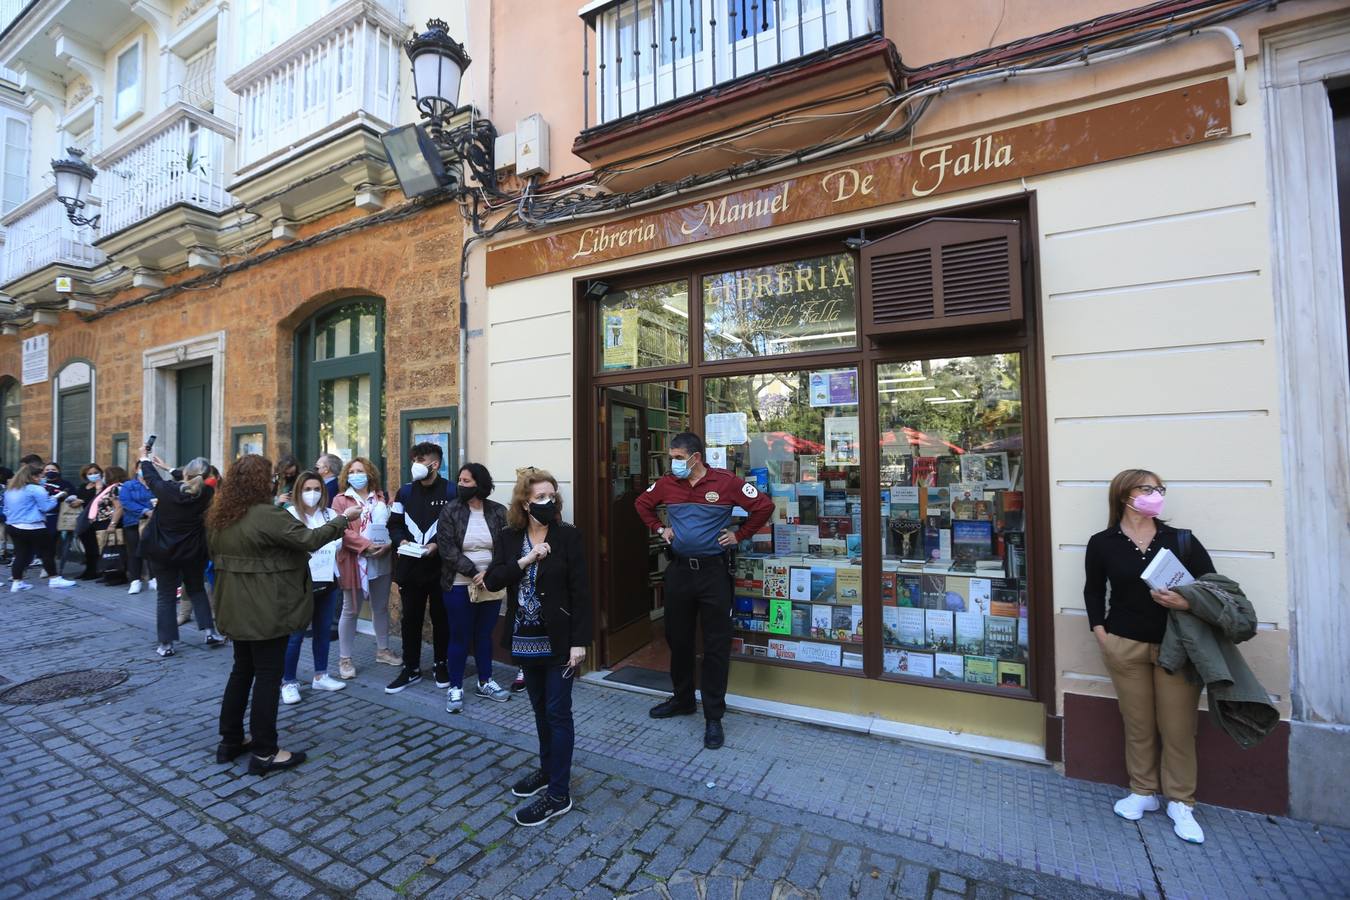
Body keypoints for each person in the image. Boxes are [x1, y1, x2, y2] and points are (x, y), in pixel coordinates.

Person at [1084, 468, 1216, 845]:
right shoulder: (1103, 542)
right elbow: (1094, 591)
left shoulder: (1180, 540)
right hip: (1124, 645)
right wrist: (1101, 634)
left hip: (1177, 646)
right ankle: (1143, 791)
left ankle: (1180, 801)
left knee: (1177, 727)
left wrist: (1184, 599)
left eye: (1160, 489)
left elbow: (1212, 585)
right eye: (1147, 488)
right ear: (1125, 495)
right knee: (1137, 722)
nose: (1155, 495)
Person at [207, 454, 361, 775]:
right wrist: (343, 519)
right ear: (262, 483)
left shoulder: (220, 516)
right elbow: (310, 538)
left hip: (234, 608)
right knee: (267, 677)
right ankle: (265, 751)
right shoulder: (267, 516)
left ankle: (230, 740)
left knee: (241, 672)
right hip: (266, 609)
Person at [634, 431, 774, 750]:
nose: (673, 463)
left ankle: (713, 716)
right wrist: (660, 528)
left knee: (715, 646)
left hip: (713, 573)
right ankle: (682, 699)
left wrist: (740, 535)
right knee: (678, 639)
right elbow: (642, 504)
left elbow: (763, 507)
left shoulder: (726, 482)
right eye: (671, 457)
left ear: (696, 457)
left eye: (679, 458)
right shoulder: (668, 483)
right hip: (680, 572)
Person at [484, 467, 590, 826]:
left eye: (552, 496)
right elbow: (495, 578)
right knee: (541, 710)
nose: (548, 501)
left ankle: (559, 794)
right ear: (525, 503)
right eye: (540, 497)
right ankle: (547, 770)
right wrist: (527, 560)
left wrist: (579, 642)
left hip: (560, 640)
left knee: (559, 713)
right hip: (525, 638)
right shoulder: (509, 537)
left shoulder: (569, 537)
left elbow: (582, 592)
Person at [435, 462, 511, 712]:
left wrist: (490, 573)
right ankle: (455, 687)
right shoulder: (450, 511)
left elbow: (505, 547)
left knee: (484, 634)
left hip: (490, 583)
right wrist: (473, 572)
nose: (461, 484)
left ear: (480, 483)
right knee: (460, 635)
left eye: (466, 481)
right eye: (460, 480)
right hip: (458, 584)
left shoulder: (498, 511)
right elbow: (447, 550)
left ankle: (485, 681)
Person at [385, 443, 454, 694]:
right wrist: (401, 540)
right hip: (410, 568)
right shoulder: (404, 492)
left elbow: (457, 527)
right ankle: (411, 667)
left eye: (420, 459)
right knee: (410, 619)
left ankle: (441, 664)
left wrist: (436, 545)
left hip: (440, 569)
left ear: (434, 464)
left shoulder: (451, 491)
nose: (415, 463)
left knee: (441, 618)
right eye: (413, 458)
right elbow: (393, 523)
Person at [141, 452, 223, 656]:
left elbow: (151, 479)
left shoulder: (167, 490)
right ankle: (210, 632)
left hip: (163, 551)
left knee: (166, 596)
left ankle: (166, 644)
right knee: (196, 589)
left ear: (186, 473)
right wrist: (168, 468)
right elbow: (195, 479)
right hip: (192, 551)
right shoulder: (207, 492)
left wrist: (145, 460)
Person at [280, 472, 348, 705]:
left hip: (327, 580)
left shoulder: (330, 514)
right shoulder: (289, 516)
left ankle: (321, 674)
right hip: (300, 585)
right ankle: (288, 681)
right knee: (295, 635)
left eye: (317, 488)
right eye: (307, 488)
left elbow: (339, 541)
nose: (312, 493)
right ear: (298, 491)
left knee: (322, 630)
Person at [332, 457, 399, 678]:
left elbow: (392, 525)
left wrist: (389, 544)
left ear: (369, 473)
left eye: (360, 470)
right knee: (350, 610)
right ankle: (345, 659)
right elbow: (340, 530)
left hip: (381, 559)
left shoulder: (382, 497)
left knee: (380, 608)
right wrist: (366, 546)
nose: (356, 475)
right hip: (354, 560)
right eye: (351, 471)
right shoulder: (341, 500)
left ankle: (383, 650)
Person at [4, 464, 77, 591]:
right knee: (47, 553)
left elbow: (6, 509)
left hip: (13, 525)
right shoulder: (36, 489)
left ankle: (17, 582)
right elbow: (46, 507)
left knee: (21, 554)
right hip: (34, 526)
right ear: (33, 476)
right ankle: (54, 579)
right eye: (40, 476)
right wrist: (56, 497)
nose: (42, 479)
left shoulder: (11, 489)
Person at [119, 467, 156, 594]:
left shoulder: (155, 483)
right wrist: (145, 511)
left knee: (153, 551)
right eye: (141, 467)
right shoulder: (128, 485)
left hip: (152, 523)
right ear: (136, 470)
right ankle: (135, 581)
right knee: (134, 552)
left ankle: (154, 579)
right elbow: (126, 502)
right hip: (133, 522)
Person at [71, 463, 107, 579]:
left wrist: (98, 489)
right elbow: (79, 500)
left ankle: (95, 570)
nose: (93, 475)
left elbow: (99, 502)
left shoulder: (104, 487)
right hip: (84, 520)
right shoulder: (83, 487)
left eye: (96, 473)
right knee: (87, 547)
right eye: (90, 474)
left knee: (95, 547)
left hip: (97, 520)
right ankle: (88, 569)